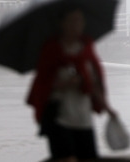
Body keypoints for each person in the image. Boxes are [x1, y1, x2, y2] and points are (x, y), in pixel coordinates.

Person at [27, 9, 116, 162]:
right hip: (59, 116)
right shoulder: (51, 50)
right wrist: (65, 84)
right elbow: (42, 84)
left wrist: (107, 107)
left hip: (82, 115)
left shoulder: (87, 48)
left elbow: (94, 83)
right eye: (72, 21)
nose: (77, 25)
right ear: (62, 24)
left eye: (79, 20)